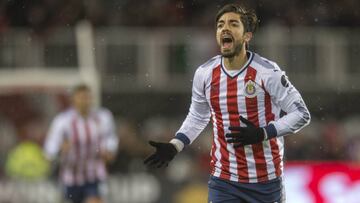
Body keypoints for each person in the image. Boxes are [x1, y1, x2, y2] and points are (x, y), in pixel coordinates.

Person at [144, 3, 311, 203]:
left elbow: (302, 114)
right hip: (224, 181)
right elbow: (198, 115)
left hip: (266, 182)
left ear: (247, 36)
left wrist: (263, 132)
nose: (225, 28)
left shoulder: (268, 73)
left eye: (233, 24)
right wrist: (176, 145)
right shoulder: (205, 73)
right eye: (220, 25)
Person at [44, 84, 118, 203]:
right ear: (73, 99)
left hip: (94, 174)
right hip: (70, 176)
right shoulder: (63, 121)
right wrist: (59, 150)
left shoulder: (102, 117)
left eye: (87, 97)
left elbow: (111, 137)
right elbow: (50, 147)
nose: (85, 101)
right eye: (81, 97)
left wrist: (110, 150)